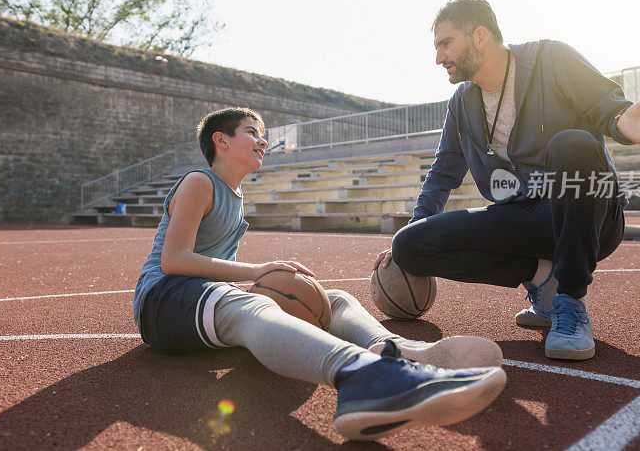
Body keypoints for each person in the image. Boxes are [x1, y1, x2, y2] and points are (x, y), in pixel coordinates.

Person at [133, 106, 506, 441]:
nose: (263, 141)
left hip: (199, 299)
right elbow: (174, 260)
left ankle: (399, 352)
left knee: (331, 299)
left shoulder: (235, 197)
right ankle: (362, 377)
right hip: (161, 299)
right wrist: (258, 271)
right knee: (252, 310)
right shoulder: (200, 182)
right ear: (221, 140)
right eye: (252, 132)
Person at [374, 0, 640, 361]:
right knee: (409, 245)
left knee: (572, 143)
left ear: (479, 36)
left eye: (446, 44)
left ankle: (570, 302)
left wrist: (620, 120)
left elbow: (605, 104)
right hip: (527, 220)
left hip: (589, 214)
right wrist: (414, 225)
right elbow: (444, 172)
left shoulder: (550, 58)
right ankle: (543, 278)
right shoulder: (462, 102)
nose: (439, 57)